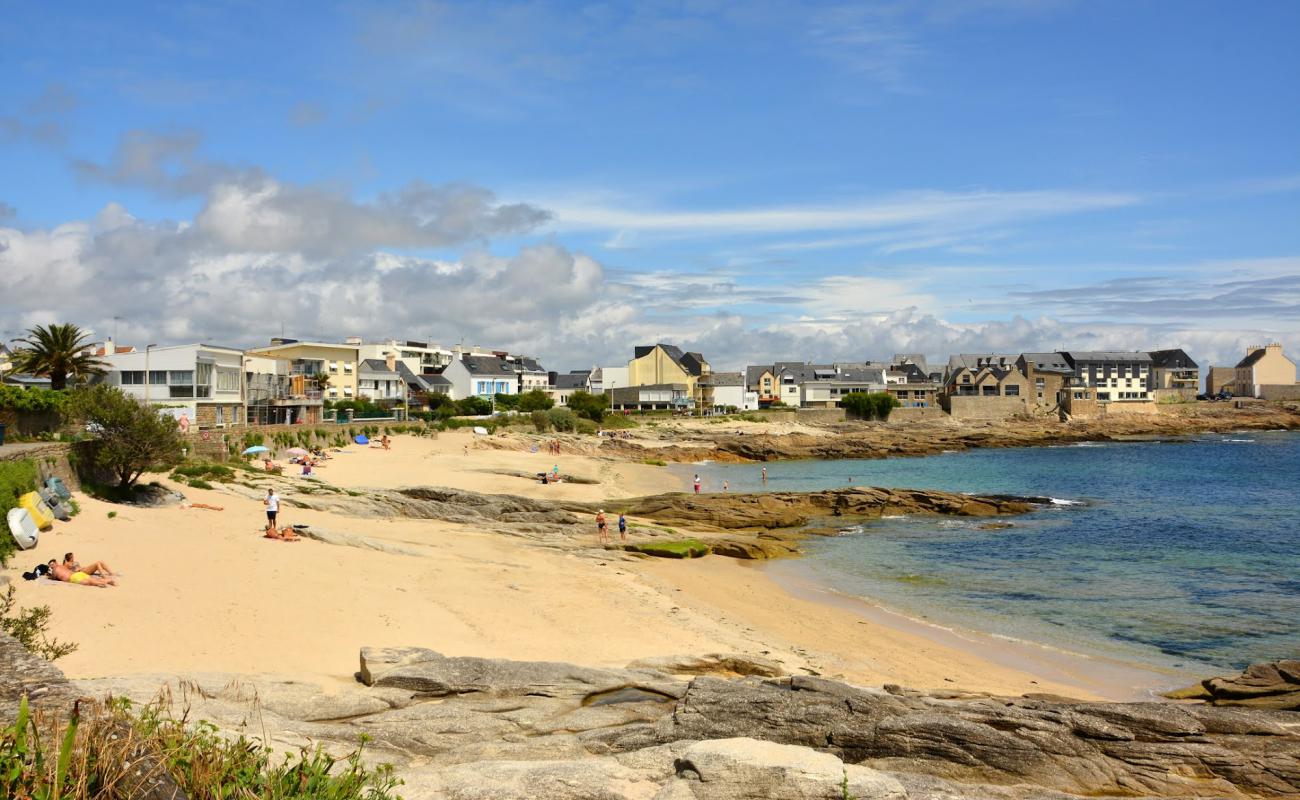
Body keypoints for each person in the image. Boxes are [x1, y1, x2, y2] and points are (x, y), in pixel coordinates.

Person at [50, 559, 115, 587]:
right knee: (92, 580)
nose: (51, 566)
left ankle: (103, 582)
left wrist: (48, 576)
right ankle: (108, 580)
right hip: (78, 574)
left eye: (51, 565)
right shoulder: (62, 566)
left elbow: (53, 577)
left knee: (89, 582)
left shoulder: (55, 569)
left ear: (55, 563)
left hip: (73, 577)